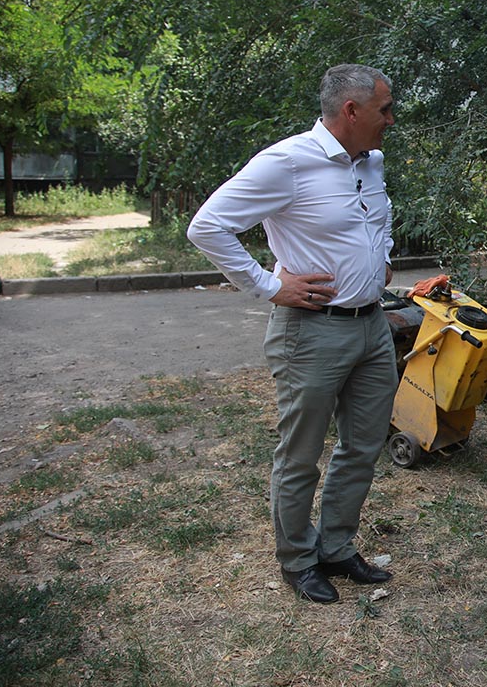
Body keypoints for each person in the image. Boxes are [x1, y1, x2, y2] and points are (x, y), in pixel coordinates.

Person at [188, 64, 399, 602]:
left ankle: (336, 547)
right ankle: (298, 560)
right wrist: (266, 285)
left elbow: (376, 222)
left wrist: (382, 260)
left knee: (363, 446)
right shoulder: (286, 162)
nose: (391, 120)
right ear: (351, 111)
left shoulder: (370, 162)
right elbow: (207, 226)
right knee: (301, 453)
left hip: (373, 326)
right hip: (312, 331)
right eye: (384, 110)